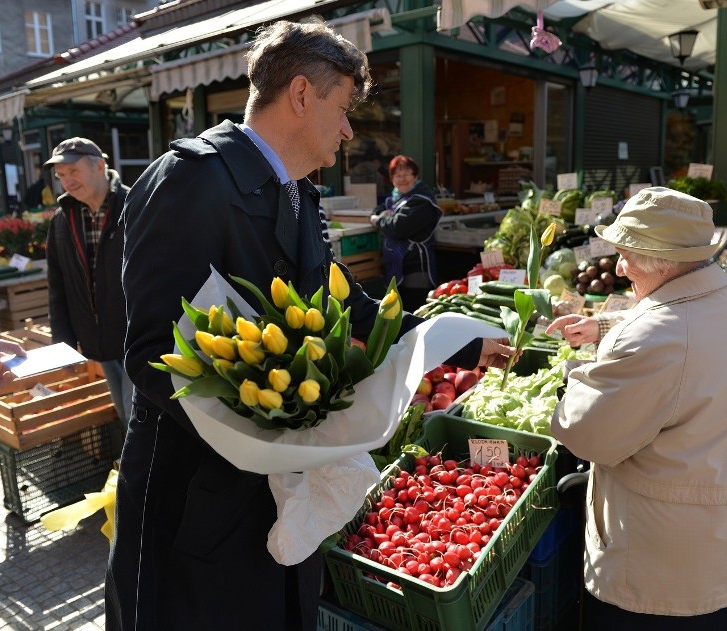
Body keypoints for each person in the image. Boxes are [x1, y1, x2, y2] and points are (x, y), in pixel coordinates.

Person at [109, 18, 513, 631]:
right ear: (301, 94)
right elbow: (148, 353)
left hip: (272, 485)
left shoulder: (296, 192)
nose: (350, 130)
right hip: (193, 495)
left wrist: (460, 347)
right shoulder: (190, 180)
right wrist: (271, 423)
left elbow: (345, 302)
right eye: (344, 108)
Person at [545, 187, 727, 630]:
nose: (618, 267)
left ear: (663, 260)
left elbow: (588, 434)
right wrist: (603, 326)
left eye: (625, 254)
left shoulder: (657, 338)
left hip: (669, 569)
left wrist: (572, 380)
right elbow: (689, 329)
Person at [43, 137, 133, 429]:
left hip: (138, 339)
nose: (67, 181)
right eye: (61, 176)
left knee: (139, 422)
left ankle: (142, 473)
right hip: (97, 342)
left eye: (73, 171)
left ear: (100, 166)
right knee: (125, 417)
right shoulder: (62, 220)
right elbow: (58, 289)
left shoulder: (135, 205)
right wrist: (64, 348)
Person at [369, 155, 442, 310]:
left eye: (406, 174)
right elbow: (379, 209)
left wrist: (378, 220)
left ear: (415, 176)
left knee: (416, 311)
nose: (402, 179)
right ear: (392, 179)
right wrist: (381, 215)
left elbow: (397, 227)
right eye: (397, 175)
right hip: (396, 267)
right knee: (398, 312)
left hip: (416, 269)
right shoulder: (396, 199)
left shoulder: (422, 201)